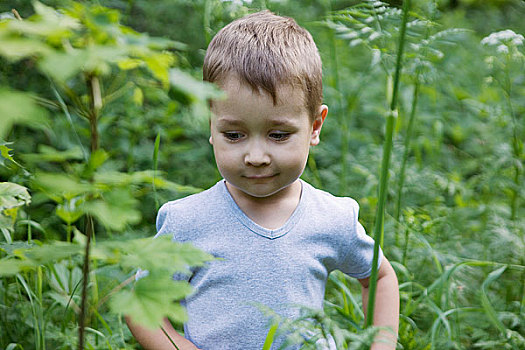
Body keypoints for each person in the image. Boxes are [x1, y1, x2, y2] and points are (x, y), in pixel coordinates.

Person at [126, 10, 399, 350]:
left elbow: (380, 276)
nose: (256, 156)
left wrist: (382, 344)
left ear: (315, 126)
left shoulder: (332, 217)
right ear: (212, 126)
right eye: (235, 134)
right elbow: (140, 306)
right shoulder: (187, 221)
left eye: (278, 134)